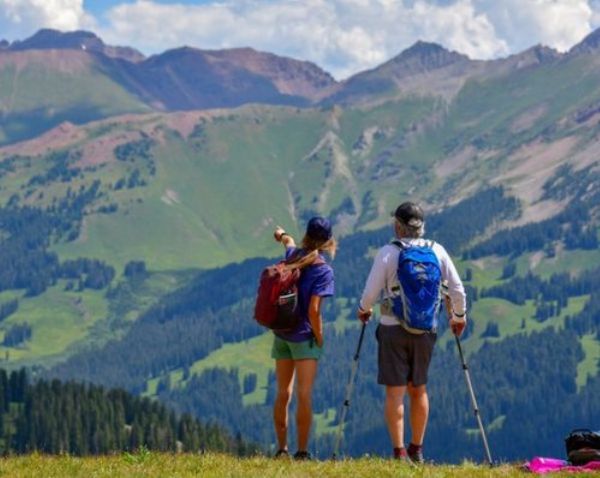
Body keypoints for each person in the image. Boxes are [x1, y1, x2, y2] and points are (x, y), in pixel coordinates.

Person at [356, 201, 466, 463]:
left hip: (392, 329)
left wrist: (363, 310)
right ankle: (417, 448)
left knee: (395, 392)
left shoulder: (388, 252)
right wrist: (458, 317)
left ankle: (399, 452)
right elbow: (458, 290)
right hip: (426, 330)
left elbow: (370, 293)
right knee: (419, 389)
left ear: (397, 226)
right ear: (422, 226)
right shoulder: (437, 250)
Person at [271, 217, 336, 460]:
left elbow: (287, 240)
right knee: (304, 395)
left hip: (282, 334)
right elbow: (314, 310)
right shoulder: (323, 270)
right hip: (304, 338)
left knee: (282, 393)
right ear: (329, 241)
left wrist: (281, 233)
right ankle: (302, 452)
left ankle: (281, 449)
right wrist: (319, 337)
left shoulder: (292, 255)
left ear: (306, 235)